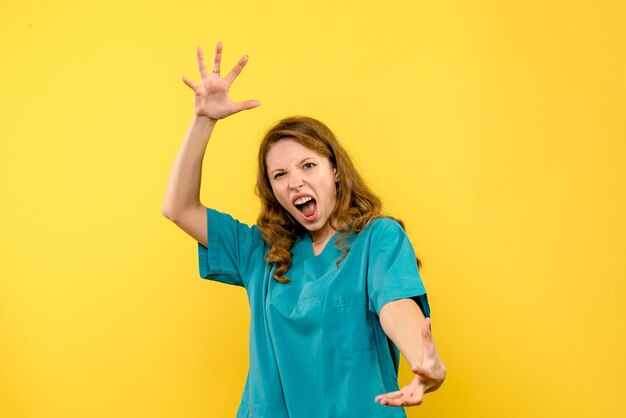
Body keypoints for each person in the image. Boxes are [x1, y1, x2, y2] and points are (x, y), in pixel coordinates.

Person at [162, 42, 446, 418]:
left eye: (307, 166)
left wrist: (422, 357)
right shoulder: (259, 254)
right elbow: (178, 208)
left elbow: (394, 305)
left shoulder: (378, 239)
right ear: (273, 191)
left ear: (336, 172)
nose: (295, 182)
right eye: (280, 175)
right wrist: (203, 120)